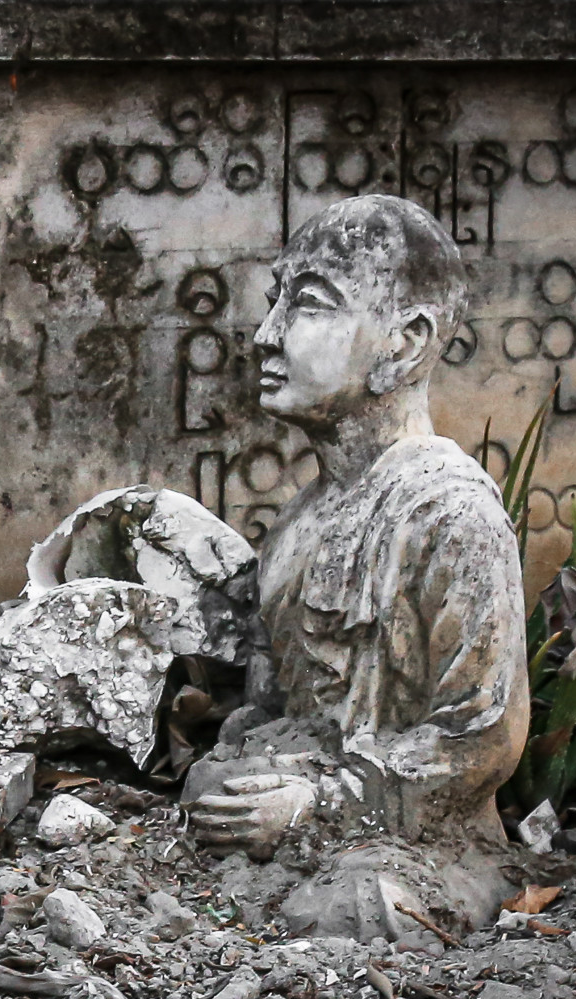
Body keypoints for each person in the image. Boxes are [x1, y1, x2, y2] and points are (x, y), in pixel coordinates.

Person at [182, 194, 529, 938]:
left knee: (355, 907)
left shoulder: (452, 513)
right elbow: (274, 711)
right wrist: (252, 775)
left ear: (404, 344)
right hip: (308, 785)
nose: (266, 337)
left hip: (413, 842)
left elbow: (484, 737)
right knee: (209, 790)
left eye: (307, 306)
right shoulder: (296, 524)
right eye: (275, 303)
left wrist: (321, 802)